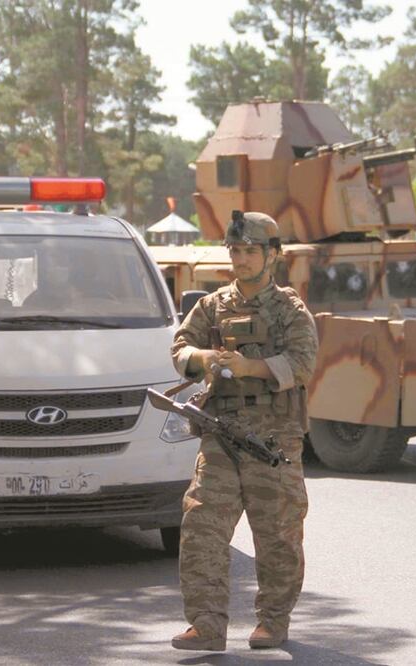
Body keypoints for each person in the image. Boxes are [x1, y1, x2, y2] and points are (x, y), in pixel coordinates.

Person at [168, 210, 318, 652]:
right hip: (221, 436)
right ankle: (207, 625)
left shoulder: (289, 309)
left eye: (250, 251)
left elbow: (303, 364)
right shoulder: (213, 305)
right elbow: (179, 348)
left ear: (272, 255)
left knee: (277, 533)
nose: (241, 259)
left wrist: (249, 366)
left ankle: (273, 620)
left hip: (273, 439)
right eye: (235, 250)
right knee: (202, 527)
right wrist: (204, 359)